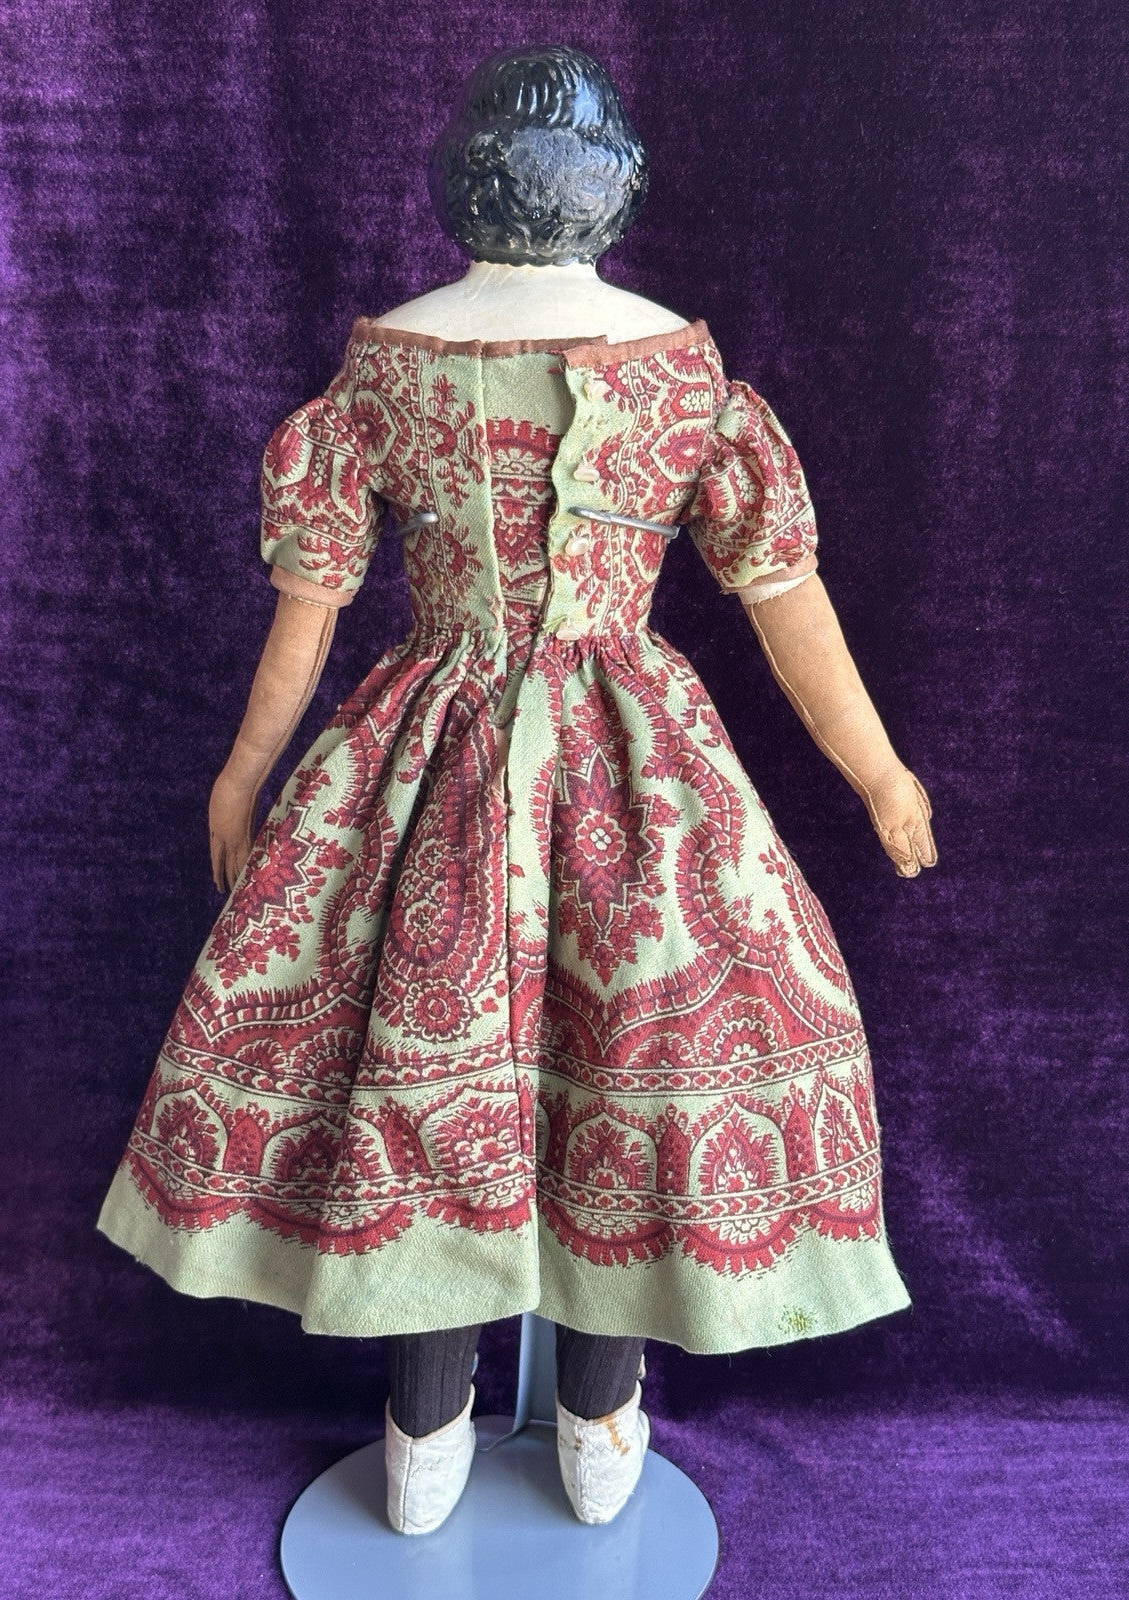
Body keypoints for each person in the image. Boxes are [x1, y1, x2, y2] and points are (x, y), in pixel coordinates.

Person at [97, 44, 936, 1537]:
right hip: (633, 769)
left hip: (435, 753)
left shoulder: (398, 364)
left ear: (462, 184)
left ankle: (450, 1424)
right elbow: (783, 594)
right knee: (619, 1059)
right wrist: (874, 770)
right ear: (619, 191)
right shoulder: (678, 368)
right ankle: (568, 1417)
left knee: (441, 1063)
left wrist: (247, 772)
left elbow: (308, 614)